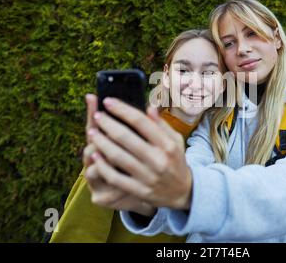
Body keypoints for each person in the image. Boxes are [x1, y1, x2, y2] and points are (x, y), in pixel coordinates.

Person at [83, 0, 286, 243]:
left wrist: (189, 190)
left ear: (276, 38)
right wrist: (143, 201)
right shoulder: (217, 118)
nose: (242, 49)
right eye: (229, 43)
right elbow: (187, 179)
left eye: (252, 33)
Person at [49, 29, 225, 242]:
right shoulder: (127, 140)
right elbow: (79, 231)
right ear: (166, 76)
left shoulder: (224, 151)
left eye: (208, 73)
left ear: (223, 83)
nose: (196, 83)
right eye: (184, 70)